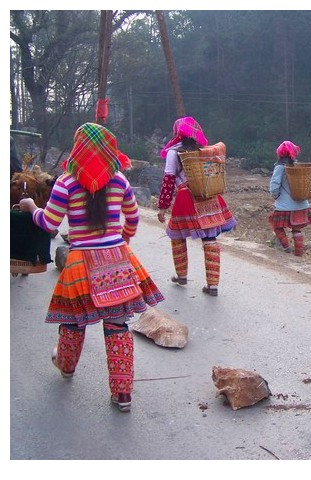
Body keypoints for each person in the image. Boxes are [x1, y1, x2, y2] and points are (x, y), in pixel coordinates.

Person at [18, 122, 165, 413]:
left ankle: (67, 367)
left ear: (78, 149)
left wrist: (31, 208)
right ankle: (123, 395)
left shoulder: (66, 182)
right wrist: (121, 240)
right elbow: (133, 217)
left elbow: (49, 224)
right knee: (117, 325)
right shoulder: (120, 180)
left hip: (80, 263)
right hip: (117, 261)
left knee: (74, 321)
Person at [157, 116, 237, 296]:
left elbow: (169, 181)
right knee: (210, 239)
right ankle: (213, 285)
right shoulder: (203, 151)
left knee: (177, 236)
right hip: (207, 196)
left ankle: (182, 275)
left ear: (177, 133)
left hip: (185, 198)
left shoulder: (173, 153)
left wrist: (163, 206)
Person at [268, 140, 311, 256]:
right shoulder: (298, 166)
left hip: (284, 206)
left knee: (276, 226)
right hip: (302, 204)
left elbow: (274, 186)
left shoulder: (280, 167)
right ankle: (299, 255)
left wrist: (276, 196)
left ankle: (287, 249)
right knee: (297, 229)